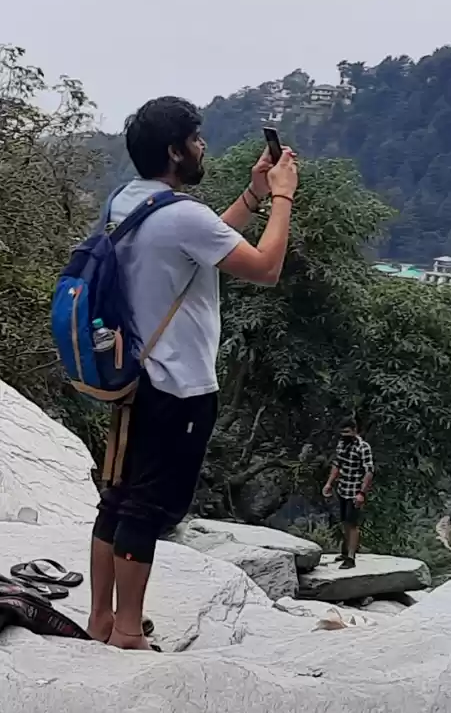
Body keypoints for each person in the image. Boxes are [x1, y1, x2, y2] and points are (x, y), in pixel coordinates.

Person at [88, 97, 299, 650]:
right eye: (197, 139)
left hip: (135, 375)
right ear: (175, 151)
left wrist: (252, 195)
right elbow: (265, 267)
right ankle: (129, 633)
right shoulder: (182, 215)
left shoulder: (130, 202)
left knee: (116, 497)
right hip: (178, 385)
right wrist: (281, 198)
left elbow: (200, 247)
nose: (204, 146)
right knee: (147, 505)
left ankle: (103, 620)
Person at [322, 424, 374, 570]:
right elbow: (337, 464)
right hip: (343, 488)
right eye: (342, 432)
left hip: (355, 490)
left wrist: (362, 493)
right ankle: (345, 552)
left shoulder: (363, 447)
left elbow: (369, 471)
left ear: (354, 431)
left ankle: (351, 558)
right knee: (345, 521)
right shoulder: (342, 445)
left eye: (347, 432)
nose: (344, 435)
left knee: (352, 523)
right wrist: (329, 484)